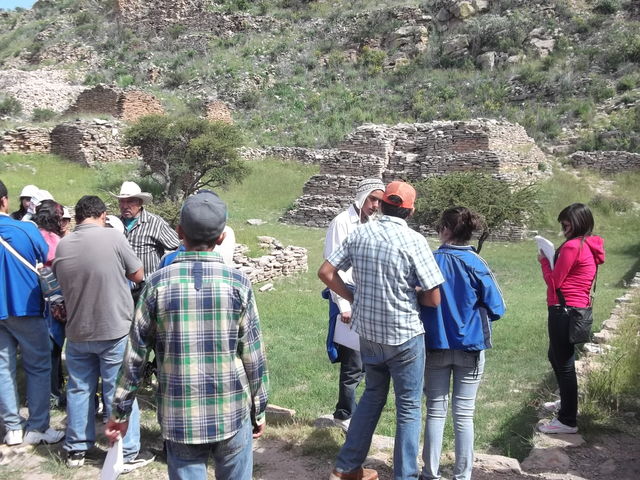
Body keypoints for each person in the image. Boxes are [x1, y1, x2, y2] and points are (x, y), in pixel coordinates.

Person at [106, 190, 269, 480]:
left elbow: (135, 356)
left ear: (179, 232)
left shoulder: (157, 284)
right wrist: (260, 408)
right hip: (230, 411)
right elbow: (253, 355)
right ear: (221, 237)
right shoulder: (238, 283)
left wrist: (120, 411)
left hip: (180, 415)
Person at [318, 181, 444, 480]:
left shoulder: (361, 232)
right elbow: (434, 297)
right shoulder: (414, 240)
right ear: (410, 211)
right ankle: (405, 476)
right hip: (404, 335)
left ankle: (346, 467)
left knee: (373, 395)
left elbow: (325, 272)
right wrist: (413, 292)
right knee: (409, 408)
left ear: (382, 204)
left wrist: (352, 297)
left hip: (369, 334)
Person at [53, 196, 153, 470]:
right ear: (103, 215)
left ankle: (76, 449)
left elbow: (59, 281)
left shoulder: (63, 245)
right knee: (118, 391)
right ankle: (127, 450)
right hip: (113, 329)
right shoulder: (114, 238)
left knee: (79, 389)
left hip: (77, 330)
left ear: (78, 217)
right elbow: (138, 274)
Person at [419, 207, 506, 480]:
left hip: (435, 345)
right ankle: (462, 475)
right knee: (464, 415)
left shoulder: (429, 261)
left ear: (445, 229)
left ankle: (430, 473)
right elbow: (498, 307)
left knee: (435, 412)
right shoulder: (477, 263)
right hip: (470, 347)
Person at [0, 180, 64, 446]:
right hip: (24, 306)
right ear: (5, 200)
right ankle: (37, 427)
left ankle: (12, 427)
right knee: (38, 366)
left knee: (3, 368)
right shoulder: (24, 229)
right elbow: (41, 252)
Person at [322, 178, 384, 432]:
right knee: (353, 362)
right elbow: (332, 267)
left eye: (380, 201)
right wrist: (344, 304)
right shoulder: (341, 223)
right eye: (373, 199)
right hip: (347, 297)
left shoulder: (373, 224)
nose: (376, 205)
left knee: (368, 362)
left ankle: (353, 412)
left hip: (368, 299)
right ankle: (345, 414)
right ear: (362, 196)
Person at [537, 203, 605, 434]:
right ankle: (567, 402)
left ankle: (567, 420)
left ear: (576, 223)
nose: (563, 228)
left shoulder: (571, 247)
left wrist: (545, 261)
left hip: (563, 309)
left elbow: (555, 282)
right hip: (577, 309)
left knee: (564, 363)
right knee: (556, 356)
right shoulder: (588, 245)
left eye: (566, 223)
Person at [32, 199, 67, 409]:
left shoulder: (31, 236)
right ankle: (52, 395)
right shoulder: (56, 241)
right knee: (53, 350)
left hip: (32, 300)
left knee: (37, 352)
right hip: (53, 302)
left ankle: (38, 395)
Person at [113, 181, 180, 279]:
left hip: (147, 284)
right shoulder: (114, 224)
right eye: (122, 201)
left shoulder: (155, 223)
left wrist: (167, 272)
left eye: (130, 201)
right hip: (121, 285)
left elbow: (177, 247)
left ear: (140, 203)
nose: (125, 206)